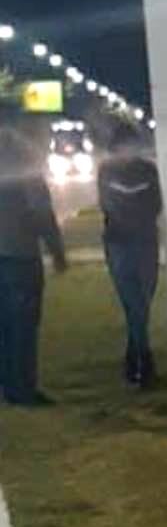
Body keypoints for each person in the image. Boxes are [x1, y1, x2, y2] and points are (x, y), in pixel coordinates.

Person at [0, 122, 66, 406]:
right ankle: (22, 389)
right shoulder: (24, 167)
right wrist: (57, 251)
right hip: (19, 256)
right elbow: (41, 212)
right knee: (23, 326)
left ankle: (6, 385)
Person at [98, 122, 162, 387]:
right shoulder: (107, 171)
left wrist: (136, 217)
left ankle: (135, 357)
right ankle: (142, 362)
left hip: (144, 242)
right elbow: (108, 206)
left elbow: (156, 204)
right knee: (133, 303)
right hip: (120, 243)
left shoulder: (147, 170)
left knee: (141, 303)